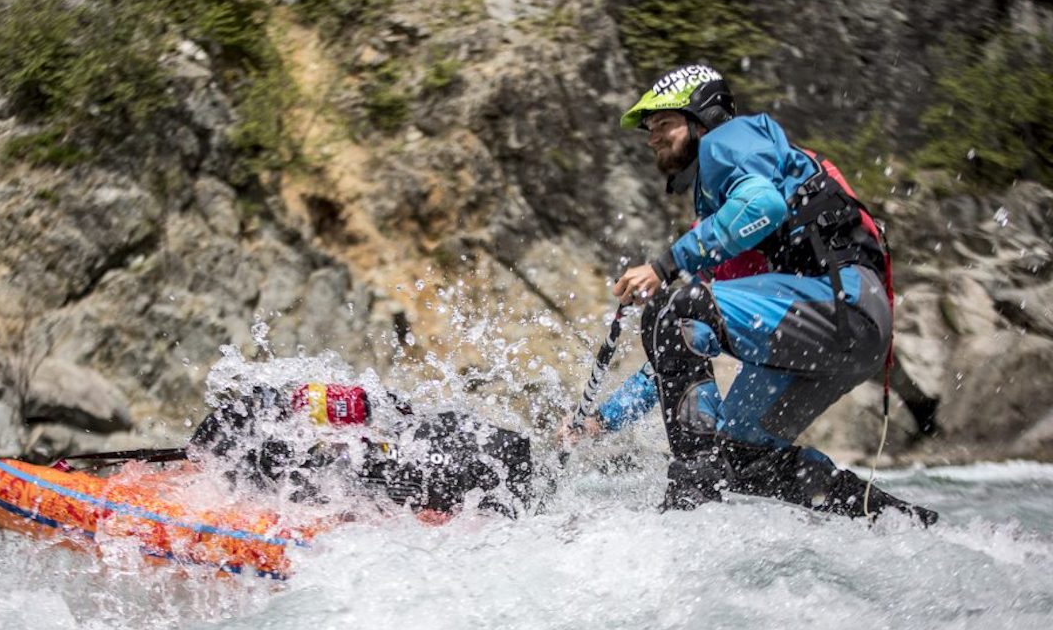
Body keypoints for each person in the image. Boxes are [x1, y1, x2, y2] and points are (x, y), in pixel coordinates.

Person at [569, 63, 936, 525]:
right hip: (843, 336)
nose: (651, 138)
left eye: (663, 124)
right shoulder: (727, 219)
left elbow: (764, 204)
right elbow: (678, 344)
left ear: (701, 120)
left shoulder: (730, 139)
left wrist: (664, 266)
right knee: (741, 457)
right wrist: (600, 421)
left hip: (841, 304)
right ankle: (899, 523)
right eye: (650, 129)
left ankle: (688, 505)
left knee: (672, 308)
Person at [188, 382, 536, 519]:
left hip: (473, 470)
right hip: (472, 444)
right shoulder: (302, 410)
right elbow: (382, 403)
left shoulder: (300, 465)